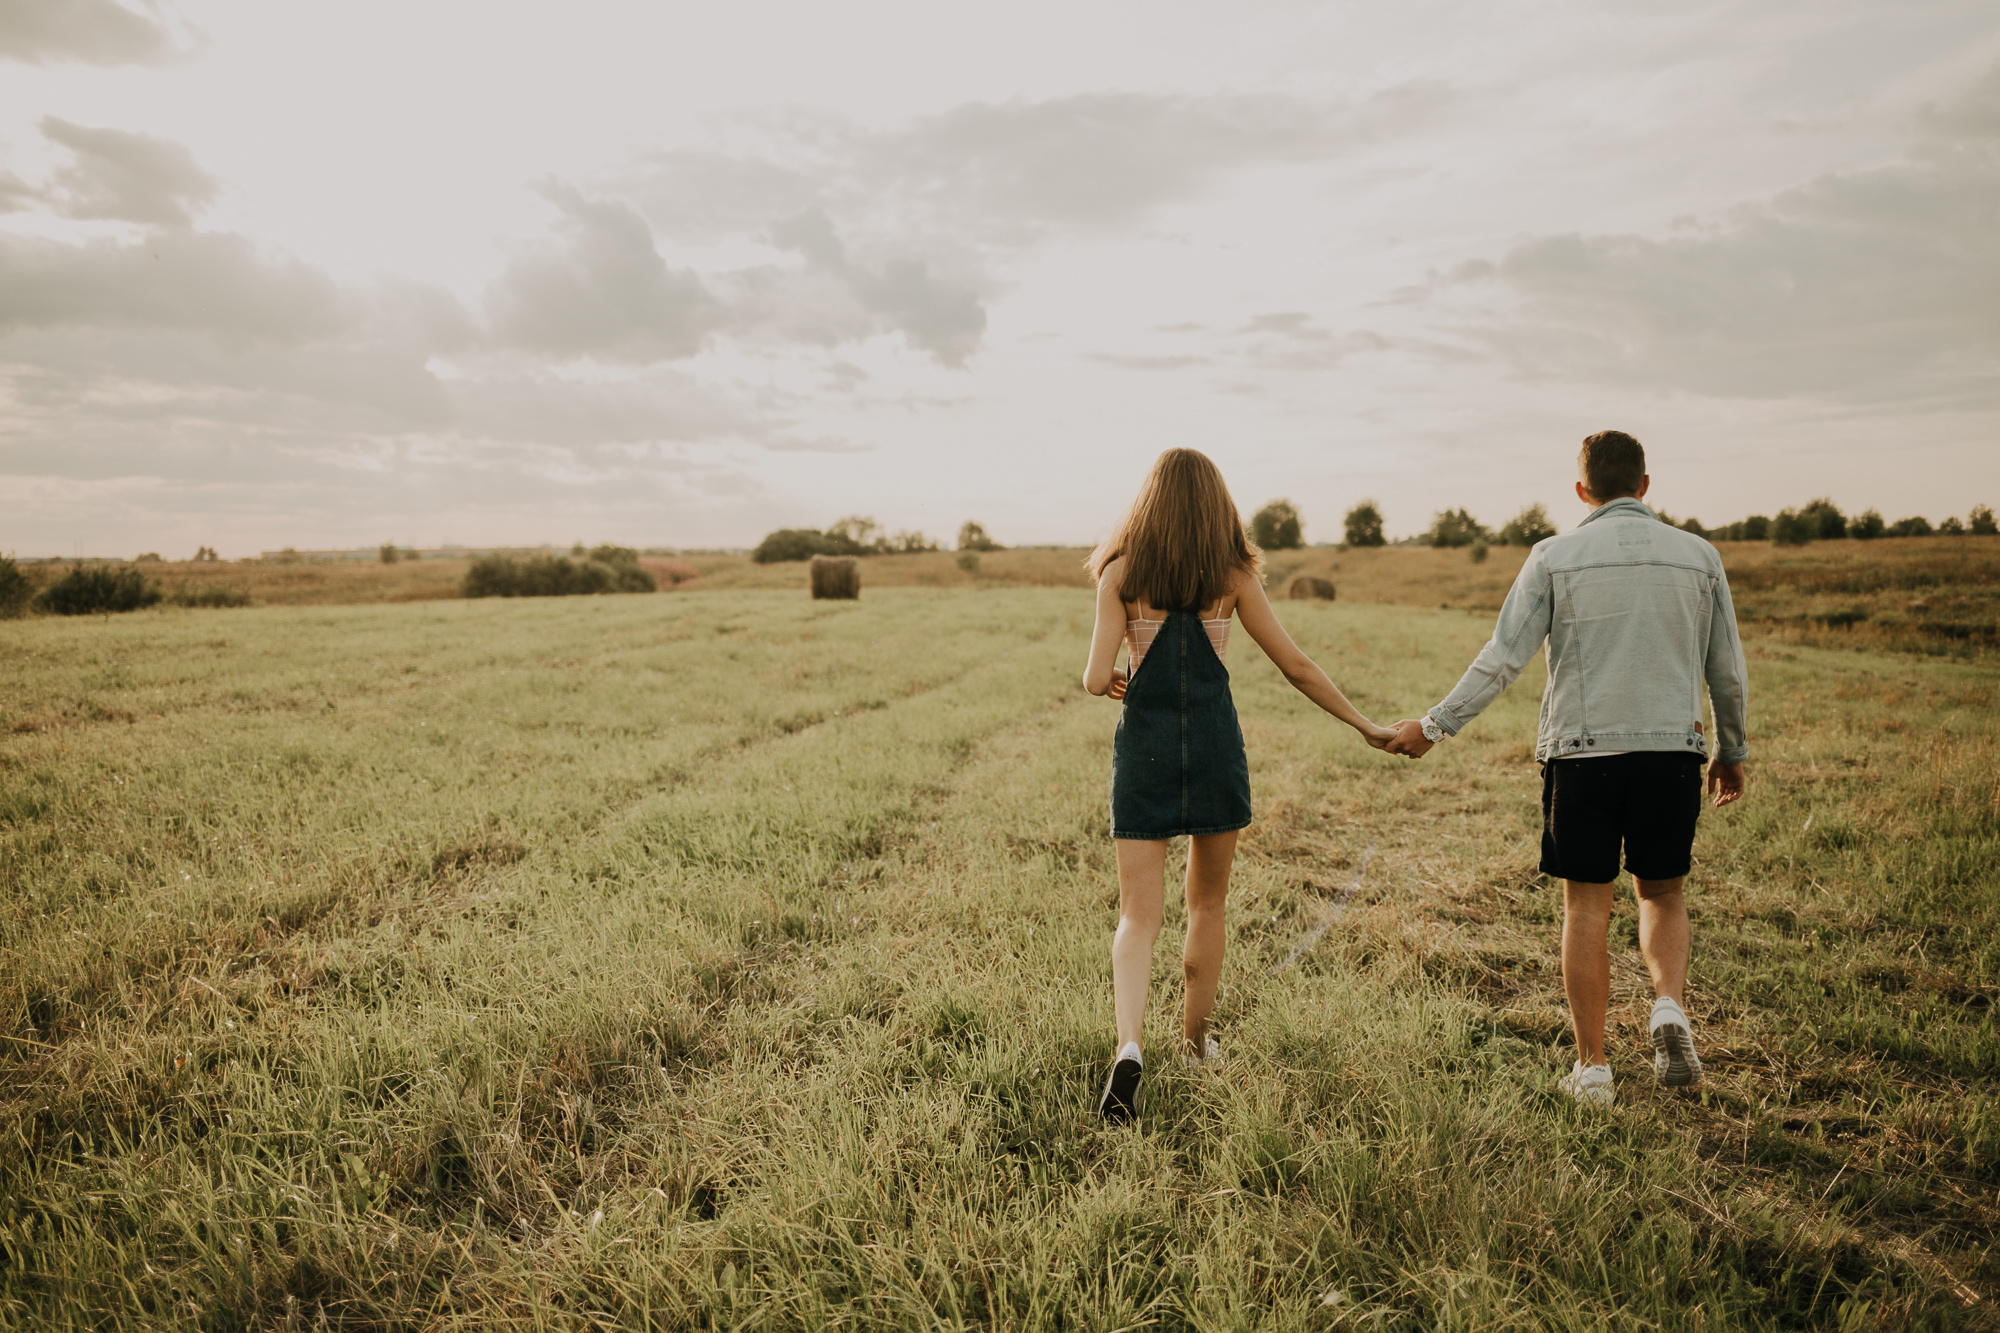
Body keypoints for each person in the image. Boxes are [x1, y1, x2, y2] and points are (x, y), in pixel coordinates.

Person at [1386, 430, 1748, 1106]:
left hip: (1584, 754)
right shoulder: (1700, 556)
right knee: (1662, 892)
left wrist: (1434, 726)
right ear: (1645, 485)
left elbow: (1502, 658)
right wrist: (1732, 749)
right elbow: (1726, 666)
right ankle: (1668, 1002)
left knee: (1586, 905)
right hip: (1673, 750)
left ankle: (1593, 1069)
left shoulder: (1553, 556)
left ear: (1583, 491)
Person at [1082, 448, 1397, 1122]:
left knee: (1139, 914)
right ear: (1216, 507)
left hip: (1144, 755)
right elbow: (1297, 664)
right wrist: (1364, 724)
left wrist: (1111, 679)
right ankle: (1195, 1044)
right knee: (1208, 906)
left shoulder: (1119, 573)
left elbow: (1092, 676)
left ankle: (1130, 1045)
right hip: (1217, 751)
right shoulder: (1233, 576)